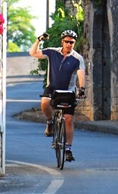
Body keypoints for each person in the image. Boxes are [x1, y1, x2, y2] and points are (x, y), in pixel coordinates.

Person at [29, 29, 86, 162]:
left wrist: (82, 88)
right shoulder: (52, 52)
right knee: (44, 102)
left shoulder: (77, 58)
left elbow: (81, 74)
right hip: (53, 87)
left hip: (68, 91)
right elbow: (33, 53)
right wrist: (39, 40)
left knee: (69, 119)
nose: (68, 44)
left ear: (74, 43)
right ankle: (50, 122)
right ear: (62, 41)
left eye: (71, 42)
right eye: (66, 41)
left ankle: (68, 149)